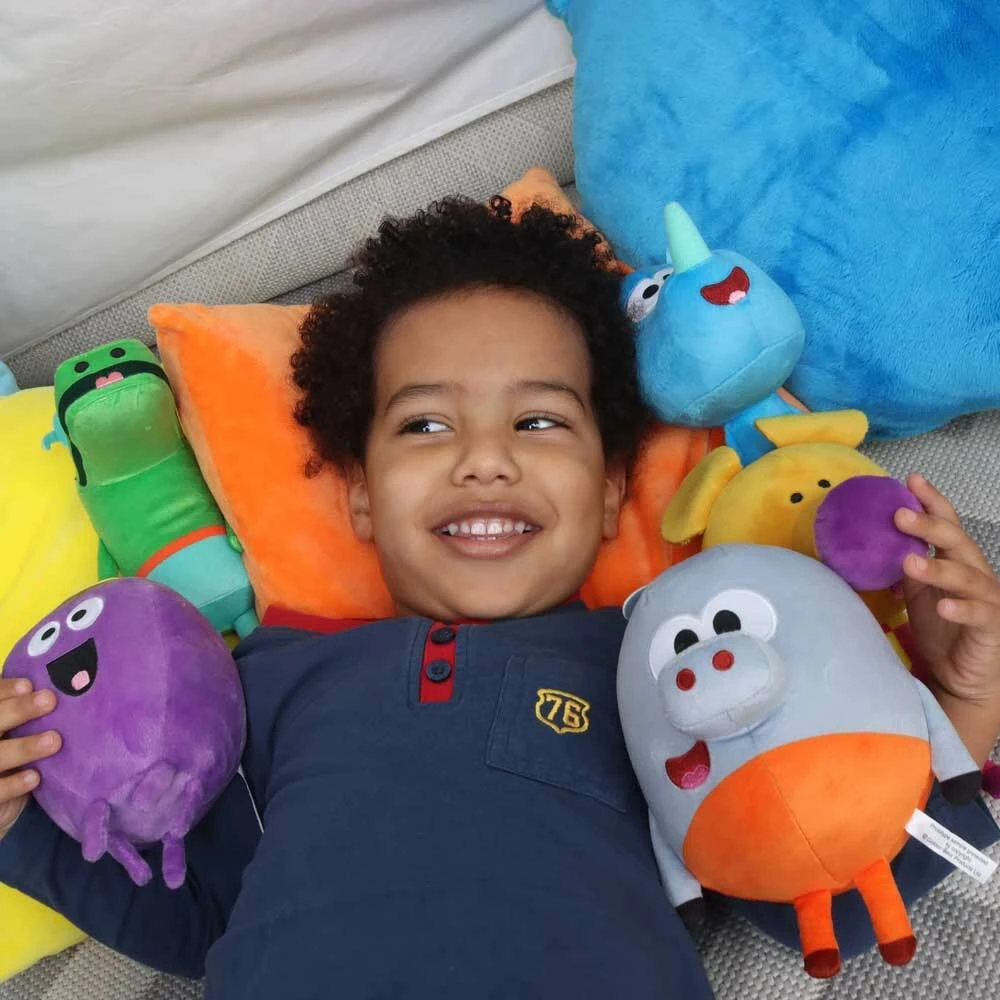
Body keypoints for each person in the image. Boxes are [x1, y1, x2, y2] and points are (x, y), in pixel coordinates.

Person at [0, 200, 998, 999]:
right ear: (360, 494)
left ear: (609, 491)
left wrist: (966, 702)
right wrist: (19, 830)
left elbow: (827, 883)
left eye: (538, 421)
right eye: (426, 426)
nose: (484, 459)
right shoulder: (266, 676)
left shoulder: (660, 657)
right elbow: (201, 918)